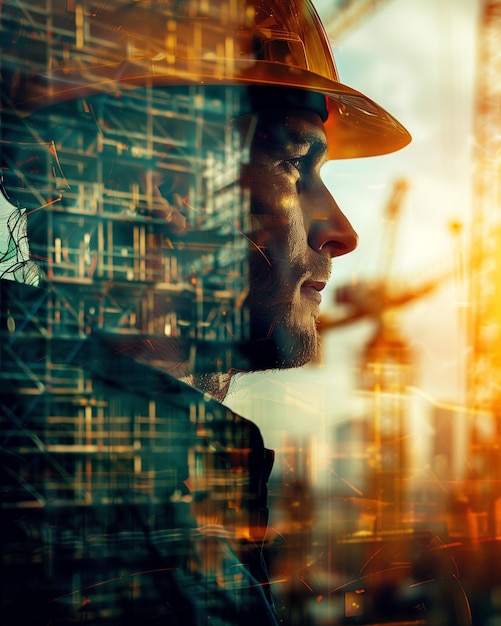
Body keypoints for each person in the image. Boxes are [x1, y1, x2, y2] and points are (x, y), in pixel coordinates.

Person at [0, 1, 410, 624]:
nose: (342, 231)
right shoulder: (77, 517)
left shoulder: (135, 477)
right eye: (294, 164)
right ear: (160, 186)